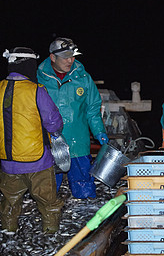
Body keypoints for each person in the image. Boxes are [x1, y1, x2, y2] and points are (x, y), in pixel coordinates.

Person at [0, 47, 64, 233]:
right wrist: (56, 132)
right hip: (37, 161)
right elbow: (53, 122)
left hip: (7, 161)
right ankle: (51, 233)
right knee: (48, 200)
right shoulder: (36, 90)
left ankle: (8, 231)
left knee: (9, 201)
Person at [37, 37, 108, 199]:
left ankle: (87, 219)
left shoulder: (83, 78)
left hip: (78, 141)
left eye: (73, 56)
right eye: (66, 57)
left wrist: (99, 131)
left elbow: (92, 108)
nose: (71, 60)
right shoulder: (39, 78)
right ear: (53, 57)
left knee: (84, 188)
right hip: (48, 143)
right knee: (47, 192)